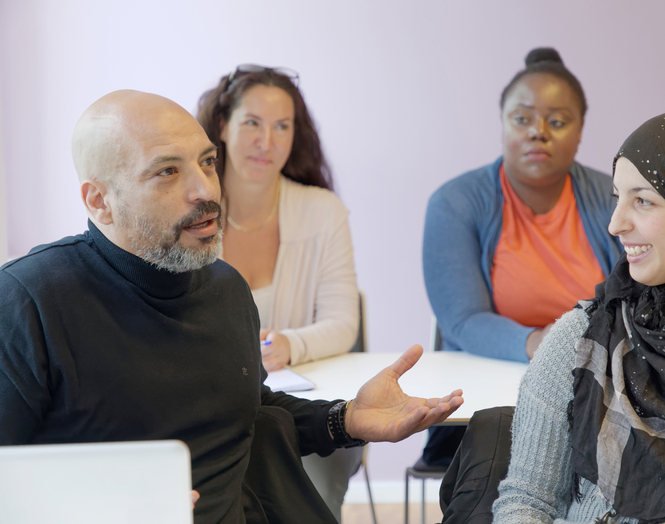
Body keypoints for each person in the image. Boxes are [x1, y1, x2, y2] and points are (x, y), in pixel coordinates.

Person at [0, 90, 463, 524]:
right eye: (167, 172)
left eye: (207, 162)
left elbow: (246, 410)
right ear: (100, 201)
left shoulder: (225, 288)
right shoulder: (28, 300)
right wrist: (108, 508)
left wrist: (347, 419)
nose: (205, 190)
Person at [441, 108, 665, 524]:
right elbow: (527, 500)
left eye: (642, 200)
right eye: (616, 198)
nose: (614, 224)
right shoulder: (586, 333)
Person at [420, 48, 622, 469]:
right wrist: (538, 343)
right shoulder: (456, 202)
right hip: (482, 404)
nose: (538, 132)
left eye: (558, 121)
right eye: (522, 119)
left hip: (596, 388)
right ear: (503, 123)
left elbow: (639, 304)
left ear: (580, 130)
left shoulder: (617, 200)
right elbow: (462, 319)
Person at [196, 66, 361, 521]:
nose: (266, 141)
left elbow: (344, 322)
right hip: (212, 404)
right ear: (223, 126)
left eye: (281, 126)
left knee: (310, 471)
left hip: (301, 405)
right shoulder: (190, 211)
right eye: (252, 123)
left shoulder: (323, 212)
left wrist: (291, 343)